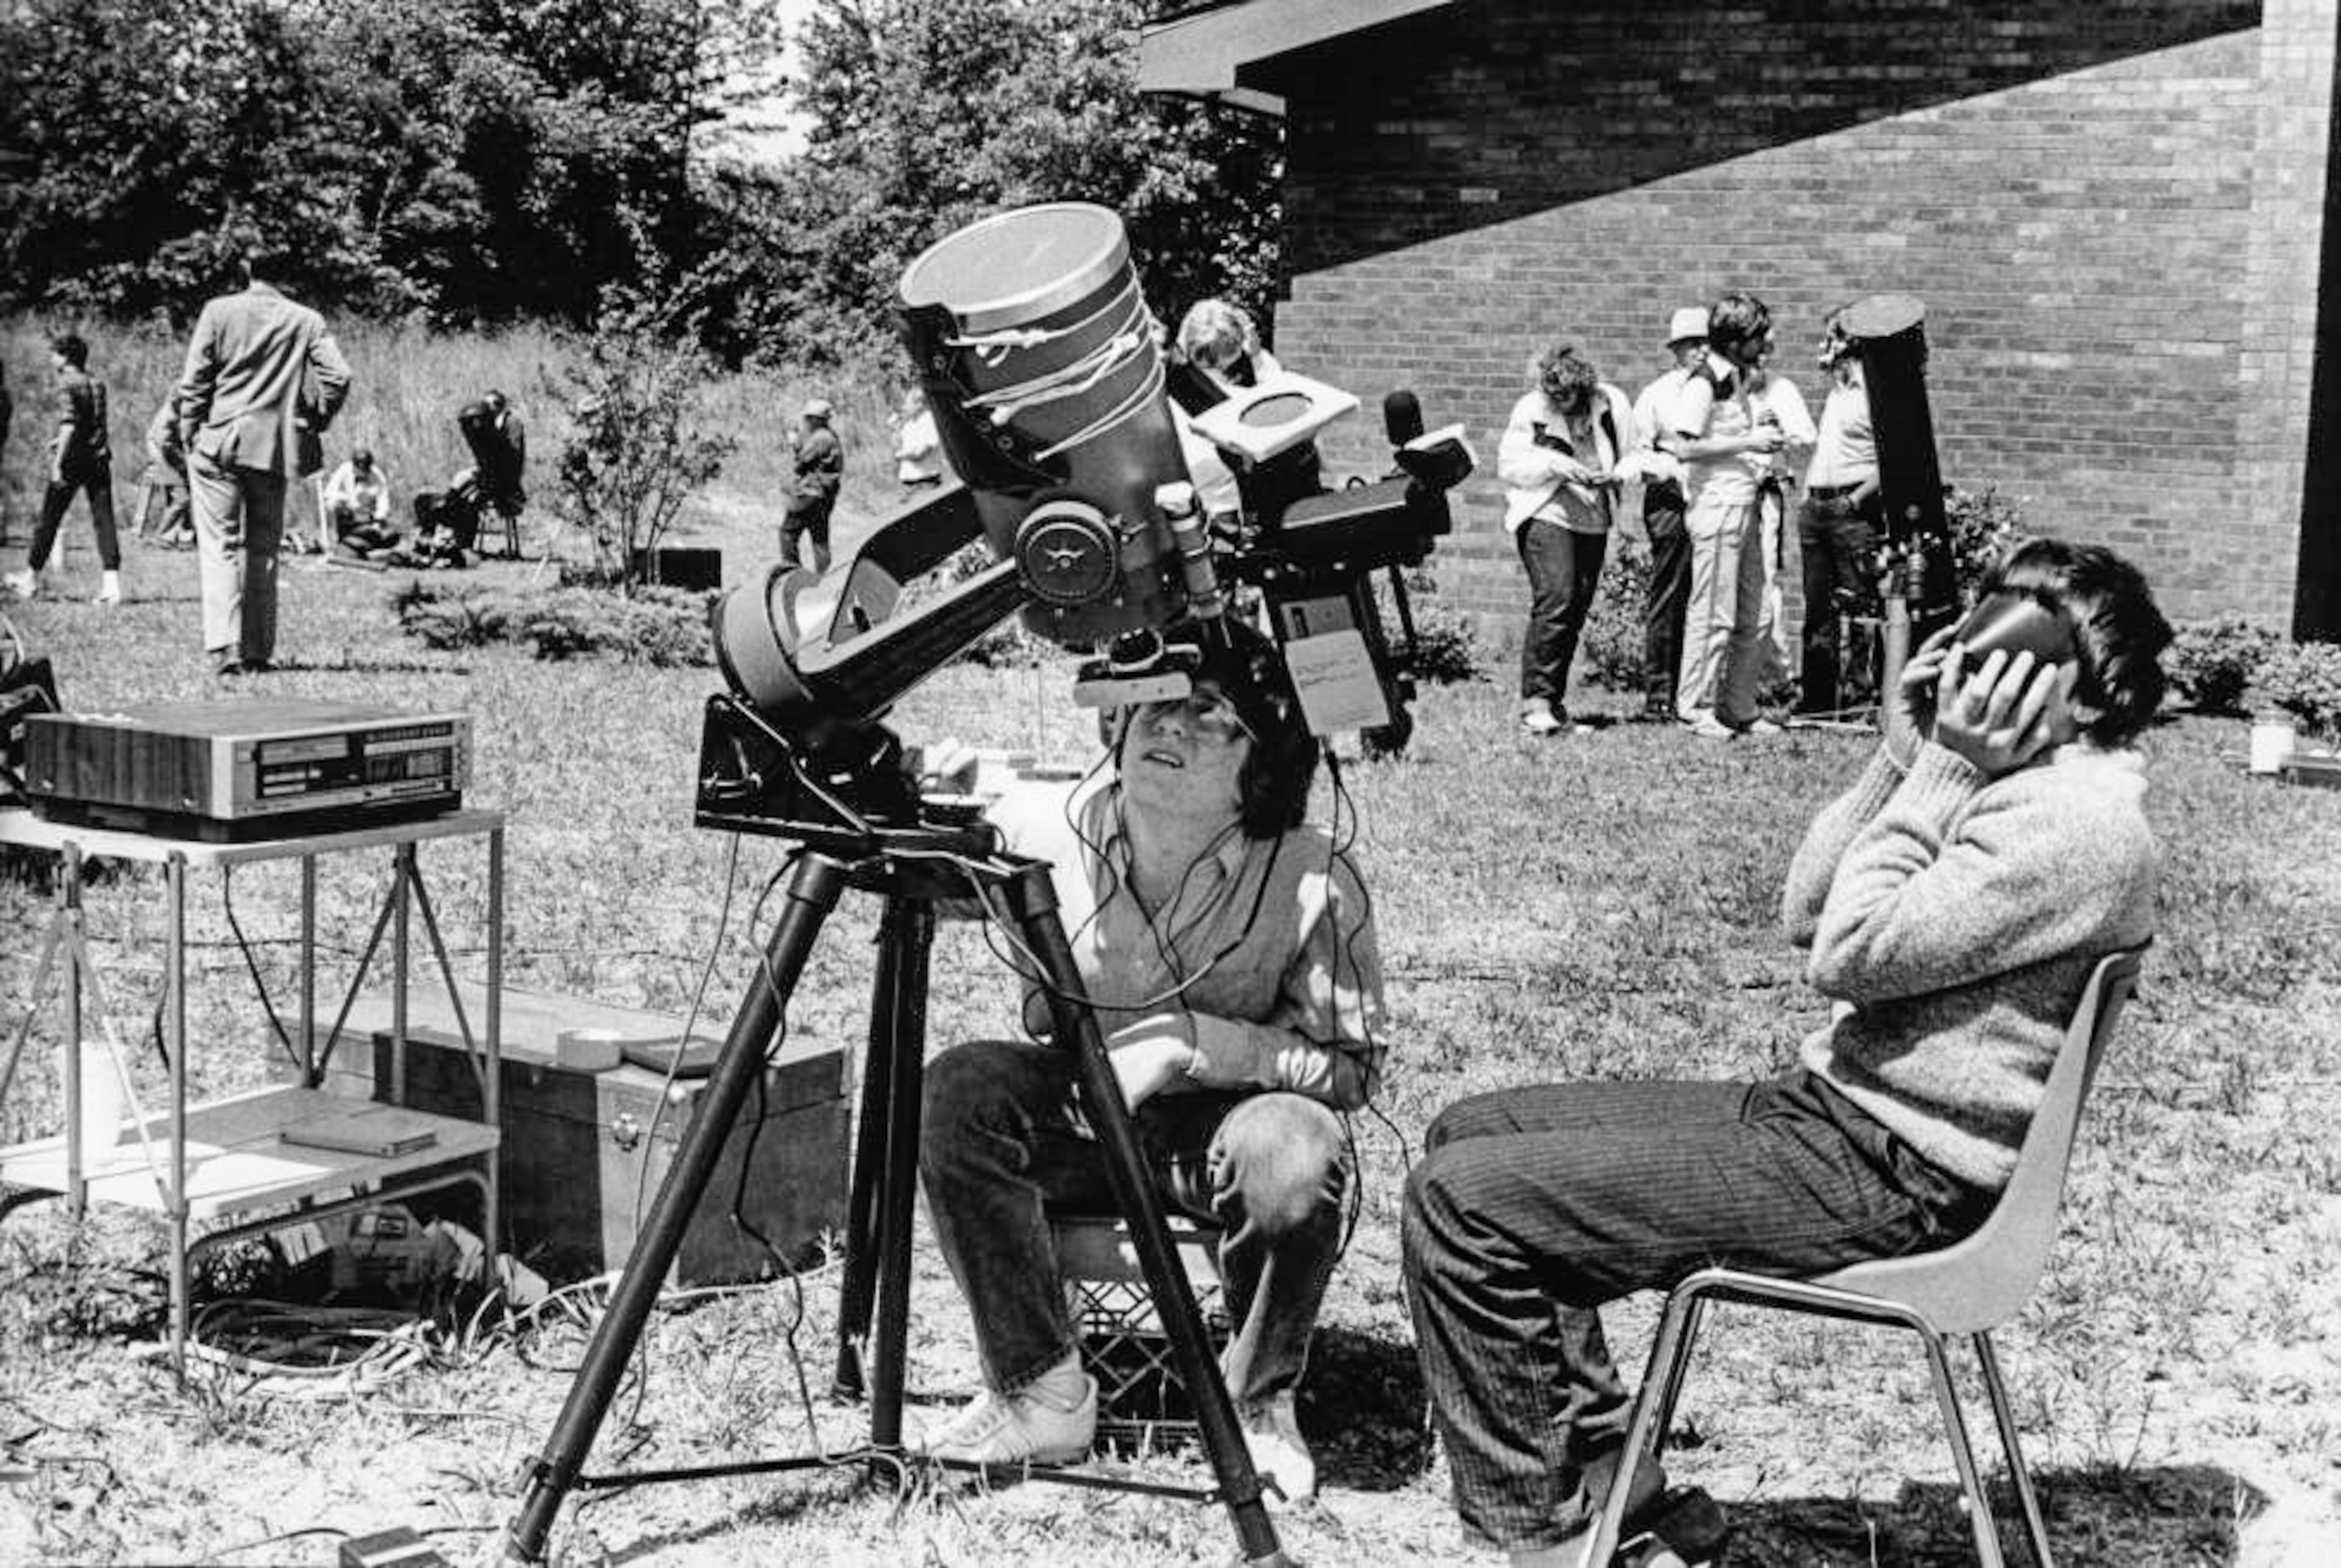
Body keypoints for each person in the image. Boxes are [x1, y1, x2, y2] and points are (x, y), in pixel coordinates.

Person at [1400, 538, 2170, 1566]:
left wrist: (1944, 767)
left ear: (2084, 693)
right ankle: (1603, 1476)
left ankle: (1542, 1542)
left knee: (1465, 1204)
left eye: (2011, 658)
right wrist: (1901, 758)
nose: (1976, 678)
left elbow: (1849, 955)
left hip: (1901, 1175)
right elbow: (1808, 911)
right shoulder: (2019, 783)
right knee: (1474, 1130)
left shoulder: (2075, 823)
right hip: (1842, 1120)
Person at [917, 620, 1386, 1505]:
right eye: (1157, 704)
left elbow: (1352, 1070)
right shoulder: (1044, 825)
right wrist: (928, 799)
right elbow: (927, 883)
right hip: (1082, 1116)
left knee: (1296, 1150)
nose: (1171, 725)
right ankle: (1042, 1390)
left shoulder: (1312, 876)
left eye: (1212, 714)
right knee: (962, 1090)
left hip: (1221, 1128)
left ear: (1264, 762)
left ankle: (1257, 1405)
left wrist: (1196, 1043)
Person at [174, 246, 351, 675]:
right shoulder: (306, 320)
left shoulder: (219, 311)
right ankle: (257, 652)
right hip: (274, 446)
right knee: (264, 550)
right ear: (288, 274)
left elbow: (195, 380)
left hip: (221, 440)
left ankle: (223, 646)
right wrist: (317, 418)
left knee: (219, 546)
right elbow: (339, 376)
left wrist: (188, 429)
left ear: (247, 269)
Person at [1667, 292, 1787, 739]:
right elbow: (1684, 447)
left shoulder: (1737, 379)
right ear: (1735, 341)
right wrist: (1749, 443)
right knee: (1714, 612)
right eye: (1759, 335)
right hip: (1716, 507)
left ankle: (1738, 706)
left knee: (1756, 614)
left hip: (1747, 503)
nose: (1768, 342)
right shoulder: (1703, 382)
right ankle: (1694, 707)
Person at [1497, 342, 1633, 736]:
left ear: (1586, 386)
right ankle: (1534, 704)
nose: (1561, 403)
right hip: (1546, 511)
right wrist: (1557, 465)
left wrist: (1619, 475)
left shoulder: (1612, 403)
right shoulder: (1531, 408)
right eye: (1554, 396)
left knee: (1575, 606)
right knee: (1556, 596)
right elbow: (1511, 464)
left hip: (1592, 516)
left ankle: (1553, 705)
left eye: (1569, 397)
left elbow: (1635, 452)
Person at [1797, 310, 1886, 716]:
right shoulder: (1837, 392)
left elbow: (1893, 460)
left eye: (1830, 338)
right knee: (1819, 611)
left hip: (1852, 510)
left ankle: (1860, 702)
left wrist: (1855, 500)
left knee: (1861, 610)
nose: (1823, 347)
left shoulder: (1878, 391)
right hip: (1816, 507)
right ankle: (1817, 702)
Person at [1165, 299, 1320, 527]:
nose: (1222, 374)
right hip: (1225, 507)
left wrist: (1257, 357)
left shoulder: (1250, 366)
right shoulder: (1183, 397)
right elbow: (1210, 475)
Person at [1625, 308, 1708, 721]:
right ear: (1677, 350)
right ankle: (1660, 693)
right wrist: (1670, 469)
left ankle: (1700, 692)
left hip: (1712, 498)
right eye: (1692, 344)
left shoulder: (1723, 391)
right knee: (1670, 593)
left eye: (1706, 343)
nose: (1700, 352)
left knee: (1710, 596)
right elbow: (1638, 452)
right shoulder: (1658, 394)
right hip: (1670, 500)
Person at [7, 332, 122, 605]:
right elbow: (92, 423)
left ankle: (31, 577)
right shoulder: (98, 383)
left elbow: (70, 424)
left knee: (50, 519)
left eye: (54, 353)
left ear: (65, 357)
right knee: (104, 520)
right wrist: (61, 440)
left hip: (73, 461)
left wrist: (58, 461)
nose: (51, 358)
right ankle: (112, 585)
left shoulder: (66, 383)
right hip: (99, 459)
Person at [1744, 352, 1818, 694]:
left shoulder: (1782, 390)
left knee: (1765, 581)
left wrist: (1781, 432)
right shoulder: (1723, 391)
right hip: (1728, 495)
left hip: (1764, 495)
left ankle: (1777, 676)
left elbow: (1807, 438)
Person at [782, 396, 843, 572]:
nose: (806, 421)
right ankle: (824, 578)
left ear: (817, 419)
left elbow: (802, 461)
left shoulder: (821, 438)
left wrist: (794, 443)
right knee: (820, 538)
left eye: (809, 418)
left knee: (788, 533)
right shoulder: (829, 436)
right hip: (824, 495)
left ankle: (791, 571)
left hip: (811, 493)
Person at [322, 448, 397, 557]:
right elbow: (328, 493)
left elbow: (383, 501)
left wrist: (379, 519)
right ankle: (339, 538)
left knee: (389, 534)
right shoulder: (345, 469)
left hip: (368, 516)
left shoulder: (378, 476)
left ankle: (368, 542)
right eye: (358, 469)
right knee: (333, 503)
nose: (361, 472)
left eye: (365, 470)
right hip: (348, 512)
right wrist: (346, 500)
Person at [140, 400, 193, 547]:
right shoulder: (169, 416)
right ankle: (163, 537)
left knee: (178, 498)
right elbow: (165, 443)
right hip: (165, 457)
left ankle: (183, 538)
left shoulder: (175, 413)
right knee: (183, 499)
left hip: (168, 456)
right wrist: (182, 462)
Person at [894, 387, 944, 491]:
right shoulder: (909, 425)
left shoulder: (929, 421)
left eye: (908, 404)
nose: (905, 407)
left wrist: (901, 455)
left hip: (927, 480)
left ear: (919, 404)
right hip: (909, 482)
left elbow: (920, 454)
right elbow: (897, 448)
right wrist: (896, 429)